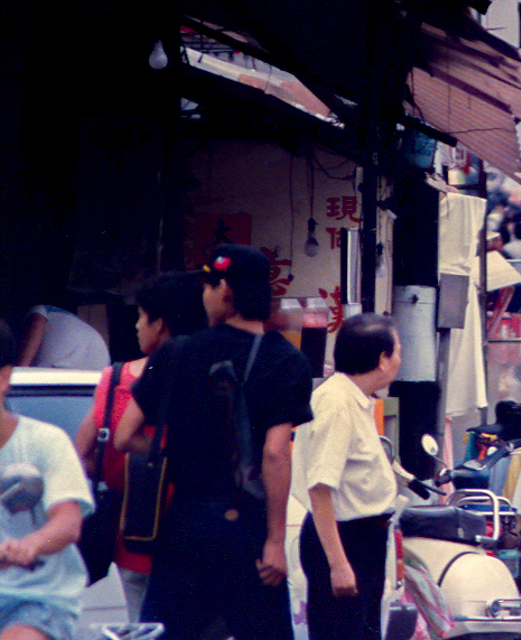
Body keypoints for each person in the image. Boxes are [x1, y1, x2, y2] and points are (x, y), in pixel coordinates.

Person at [117, 245, 314, 640]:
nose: (203, 296)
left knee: (165, 634)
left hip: (185, 523)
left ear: (224, 289)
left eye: (207, 286)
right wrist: (276, 540)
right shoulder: (286, 359)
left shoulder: (175, 351)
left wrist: (177, 454)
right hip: (248, 527)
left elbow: (125, 436)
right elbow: (275, 453)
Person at [72, 272, 206, 617]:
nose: (137, 326)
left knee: (142, 623)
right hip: (197, 535)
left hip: (134, 533)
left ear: (160, 325)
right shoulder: (212, 378)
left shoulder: (115, 379)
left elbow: (84, 456)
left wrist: (124, 477)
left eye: (142, 317)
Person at [293, 315, 401, 640]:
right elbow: (320, 487)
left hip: (363, 538)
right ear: (382, 359)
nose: (399, 359)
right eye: (397, 351)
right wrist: (339, 564)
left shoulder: (355, 399)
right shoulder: (337, 403)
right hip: (345, 539)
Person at [0, 316, 95, 640]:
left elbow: (68, 522)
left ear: (4, 378)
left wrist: (28, 545)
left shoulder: (45, 441)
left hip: (35, 601)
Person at [18, 304, 109, 370]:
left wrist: (20, 370)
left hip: (61, 365)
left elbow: (37, 324)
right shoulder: (69, 319)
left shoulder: (40, 309)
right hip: (99, 368)